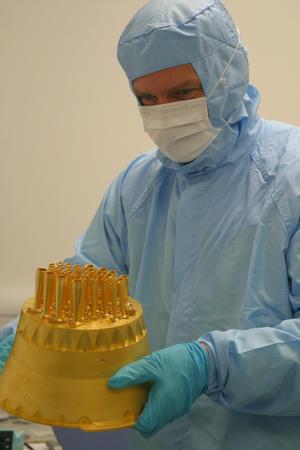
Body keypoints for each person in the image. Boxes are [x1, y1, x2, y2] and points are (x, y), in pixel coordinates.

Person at [2, 0, 300, 449]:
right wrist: (26, 338)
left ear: (228, 75)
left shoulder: (289, 177)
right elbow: (85, 292)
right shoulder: (137, 187)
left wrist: (212, 365)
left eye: (182, 93)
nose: (164, 113)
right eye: (147, 99)